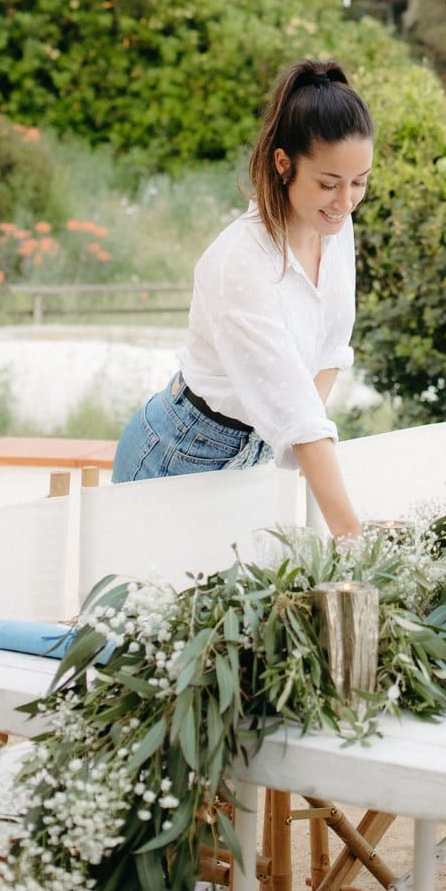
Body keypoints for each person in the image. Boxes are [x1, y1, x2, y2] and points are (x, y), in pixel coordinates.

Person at [111, 57, 373, 537]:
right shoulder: (240, 263)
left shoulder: (334, 225)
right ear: (283, 163)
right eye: (328, 184)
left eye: (360, 183)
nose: (346, 202)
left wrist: (294, 450)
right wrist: (354, 538)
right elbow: (299, 416)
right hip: (181, 454)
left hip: (254, 453)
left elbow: (332, 348)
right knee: (147, 611)